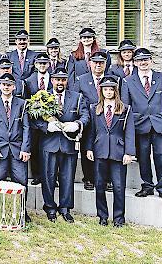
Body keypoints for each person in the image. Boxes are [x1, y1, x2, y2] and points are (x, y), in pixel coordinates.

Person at [121, 48, 162, 203]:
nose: (143, 63)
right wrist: (126, 128)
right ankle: (147, 185)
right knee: (143, 157)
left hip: (161, 124)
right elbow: (126, 106)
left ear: (151, 60)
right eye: (140, 60)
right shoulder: (127, 81)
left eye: (146, 59)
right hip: (139, 125)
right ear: (134, 62)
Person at [36, 67, 89, 223]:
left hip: (69, 144)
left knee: (67, 177)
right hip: (49, 143)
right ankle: (50, 207)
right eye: (57, 79)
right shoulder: (42, 98)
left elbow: (85, 115)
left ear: (67, 81)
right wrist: (46, 127)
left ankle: (65, 208)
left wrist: (77, 124)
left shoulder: (77, 97)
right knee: (48, 177)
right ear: (52, 80)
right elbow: (34, 119)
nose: (60, 82)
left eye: (63, 79)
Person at [87, 76, 135, 227]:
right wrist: (89, 148)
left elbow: (129, 132)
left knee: (119, 186)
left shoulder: (125, 109)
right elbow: (91, 131)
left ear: (116, 91)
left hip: (118, 151)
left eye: (111, 89)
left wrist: (129, 152)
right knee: (100, 185)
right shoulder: (94, 108)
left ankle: (119, 218)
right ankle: (102, 216)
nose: (108, 92)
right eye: (105, 89)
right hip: (100, 150)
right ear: (101, 91)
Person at [0, 73, 32, 223]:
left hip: (18, 150)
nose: (6, 87)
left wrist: (25, 149)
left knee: (21, 181)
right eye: (3, 84)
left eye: (9, 85)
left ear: (14, 86)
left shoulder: (22, 104)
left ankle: (21, 212)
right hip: (0, 149)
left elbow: (26, 128)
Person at [74, 50, 109, 190]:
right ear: (90, 64)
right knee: (86, 149)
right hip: (88, 120)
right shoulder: (81, 79)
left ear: (105, 64)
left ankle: (106, 179)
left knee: (107, 149)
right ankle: (88, 178)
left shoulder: (113, 79)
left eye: (101, 63)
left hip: (107, 121)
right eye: (95, 63)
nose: (98, 65)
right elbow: (77, 100)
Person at [24, 52, 52, 186]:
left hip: (50, 119)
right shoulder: (29, 81)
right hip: (34, 120)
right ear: (35, 65)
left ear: (49, 64)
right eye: (40, 63)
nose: (42, 65)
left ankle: (51, 175)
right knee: (34, 148)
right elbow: (26, 100)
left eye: (44, 63)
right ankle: (37, 175)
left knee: (50, 148)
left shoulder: (53, 79)